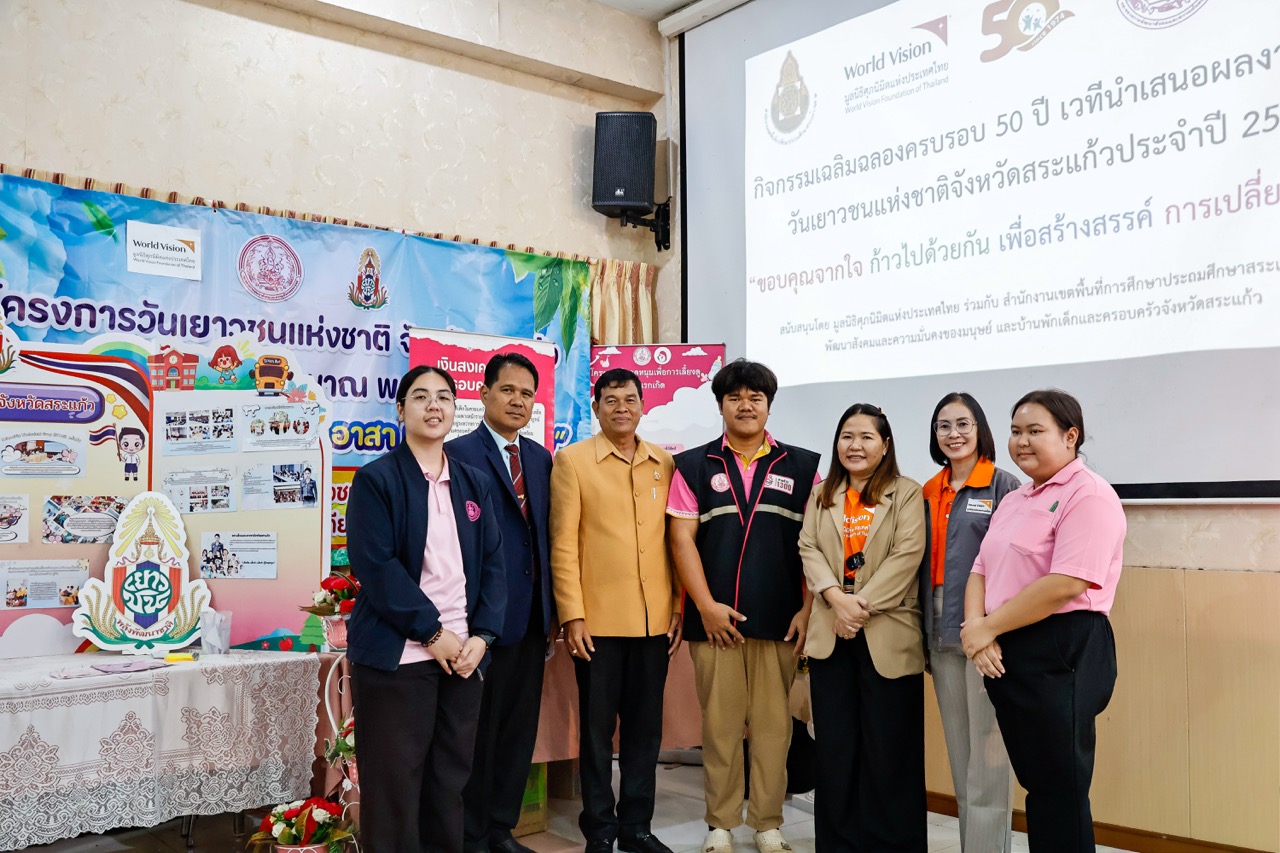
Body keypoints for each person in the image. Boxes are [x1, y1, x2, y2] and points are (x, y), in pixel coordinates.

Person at [345, 365, 507, 853]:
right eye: (420, 396)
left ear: (455, 409)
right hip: (400, 657)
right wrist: (433, 634)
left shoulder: (474, 482)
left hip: (463, 658)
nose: (434, 405)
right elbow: (377, 567)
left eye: (444, 397)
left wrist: (482, 637)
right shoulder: (377, 480)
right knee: (395, 785)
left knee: (448, 781)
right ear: (400, 410)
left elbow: (493, 565)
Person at [666, 359, 820, 853]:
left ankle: (768, 822)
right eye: (735, 397)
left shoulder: (804, 467)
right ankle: (721, 823)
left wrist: (808, 610)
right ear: (721, 405)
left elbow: (819, 546)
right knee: (721, 728)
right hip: (714, 624)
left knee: (774, 729)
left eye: (756, 397)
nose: (745, 405)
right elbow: (682, 541)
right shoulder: (692, 465)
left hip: (782, 621)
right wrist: (706, 606)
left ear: (769, 405)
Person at [961, 390, 1125, 853]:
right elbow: (980, 569)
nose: (1022, 441)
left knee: (1060, 788)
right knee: (1039, 783)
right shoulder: (1016, 498)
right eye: (1016, 431)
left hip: (1064, 648)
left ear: (1071, 436)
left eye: (1035, 431)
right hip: (1009, 646)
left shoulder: (1088, 493)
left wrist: (988, 628)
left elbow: (1067, 582)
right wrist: (977, 630)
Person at [550, 368, 682, 853]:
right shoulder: (573, 462)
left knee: (646, 734)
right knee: (596, 734)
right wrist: (572, 615)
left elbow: (675, 542)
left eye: (630, 399)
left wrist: (677, 607)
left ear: (643, 405)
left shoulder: (664, 462)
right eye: (611, 400)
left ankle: (637, 828)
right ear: (596, 407)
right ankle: (600, 830)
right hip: (598, 624)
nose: (621, 408)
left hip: (654, 622)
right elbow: (563, 545)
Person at [798, 403, 927, 853]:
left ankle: (892, 844)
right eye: (847, 436)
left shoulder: (906, 493)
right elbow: (808, 547)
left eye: (867, 436)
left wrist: (857, 609)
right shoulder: (822, 494)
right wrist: (837, 599)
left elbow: (907, 556)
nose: (855, 445)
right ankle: (838, 844)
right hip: (831, 633)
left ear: (885, 445)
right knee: (836, 748)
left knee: (890, 749)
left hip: (886, 634)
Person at [450, 353, 556, 853]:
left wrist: (553, 611)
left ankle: (501, 829)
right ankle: (470, 834)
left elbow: (546, 537)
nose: (518, 401)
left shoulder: (540, 458)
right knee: (476, 731)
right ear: (484, 394)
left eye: (526, 394)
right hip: (478, 622)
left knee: (517, 729)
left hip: (532, 617)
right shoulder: (456, 453)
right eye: (508, 390)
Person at [920, 393, 1020, 852]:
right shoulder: (928, 490)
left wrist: (994, 628)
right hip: (939, 627)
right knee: (961, 754)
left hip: (987, 629)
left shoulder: (1003, 486)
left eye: (963, 424)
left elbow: (1016, 564)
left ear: (980, 428)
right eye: (944, 426)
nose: (953, 434)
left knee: (989, 756)